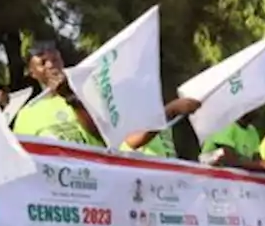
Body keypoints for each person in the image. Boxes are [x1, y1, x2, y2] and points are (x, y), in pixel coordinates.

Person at [14, 41, 199, 151]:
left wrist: (70, 98)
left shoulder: (91, 96)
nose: (50, 66)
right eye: (43, 62)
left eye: (55, 59)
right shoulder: (27, 114)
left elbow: (103, 136)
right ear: (31, 73)